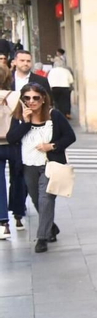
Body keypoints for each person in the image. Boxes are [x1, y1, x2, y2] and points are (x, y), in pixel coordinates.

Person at [8, 83, 74, 252]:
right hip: (27, 164)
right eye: (27, 98)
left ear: (43, 99)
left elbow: (70, 136)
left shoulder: (54, 116)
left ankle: (42, 237)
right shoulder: (19, 117)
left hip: (49, 164)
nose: (31, 101)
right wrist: (26, 122)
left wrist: (51, 146)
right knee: (36, 199)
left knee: (46, 199)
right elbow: (11, 138)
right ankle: (51, 226)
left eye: (36, 98)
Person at [0, 69, 25, 239]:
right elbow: (24, 120)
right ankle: (18, 215)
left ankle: (3, 222)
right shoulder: (16, 97)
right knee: (18, 179)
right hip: (14, 143)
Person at [47, 50, 73, 118]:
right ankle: (66, 113)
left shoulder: (51, 71)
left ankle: (58, 113)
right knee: (65, 101)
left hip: (54, 88)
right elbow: (71, 80)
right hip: (65, 87)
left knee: (56, 101)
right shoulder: (66, 70)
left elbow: (48, 80)